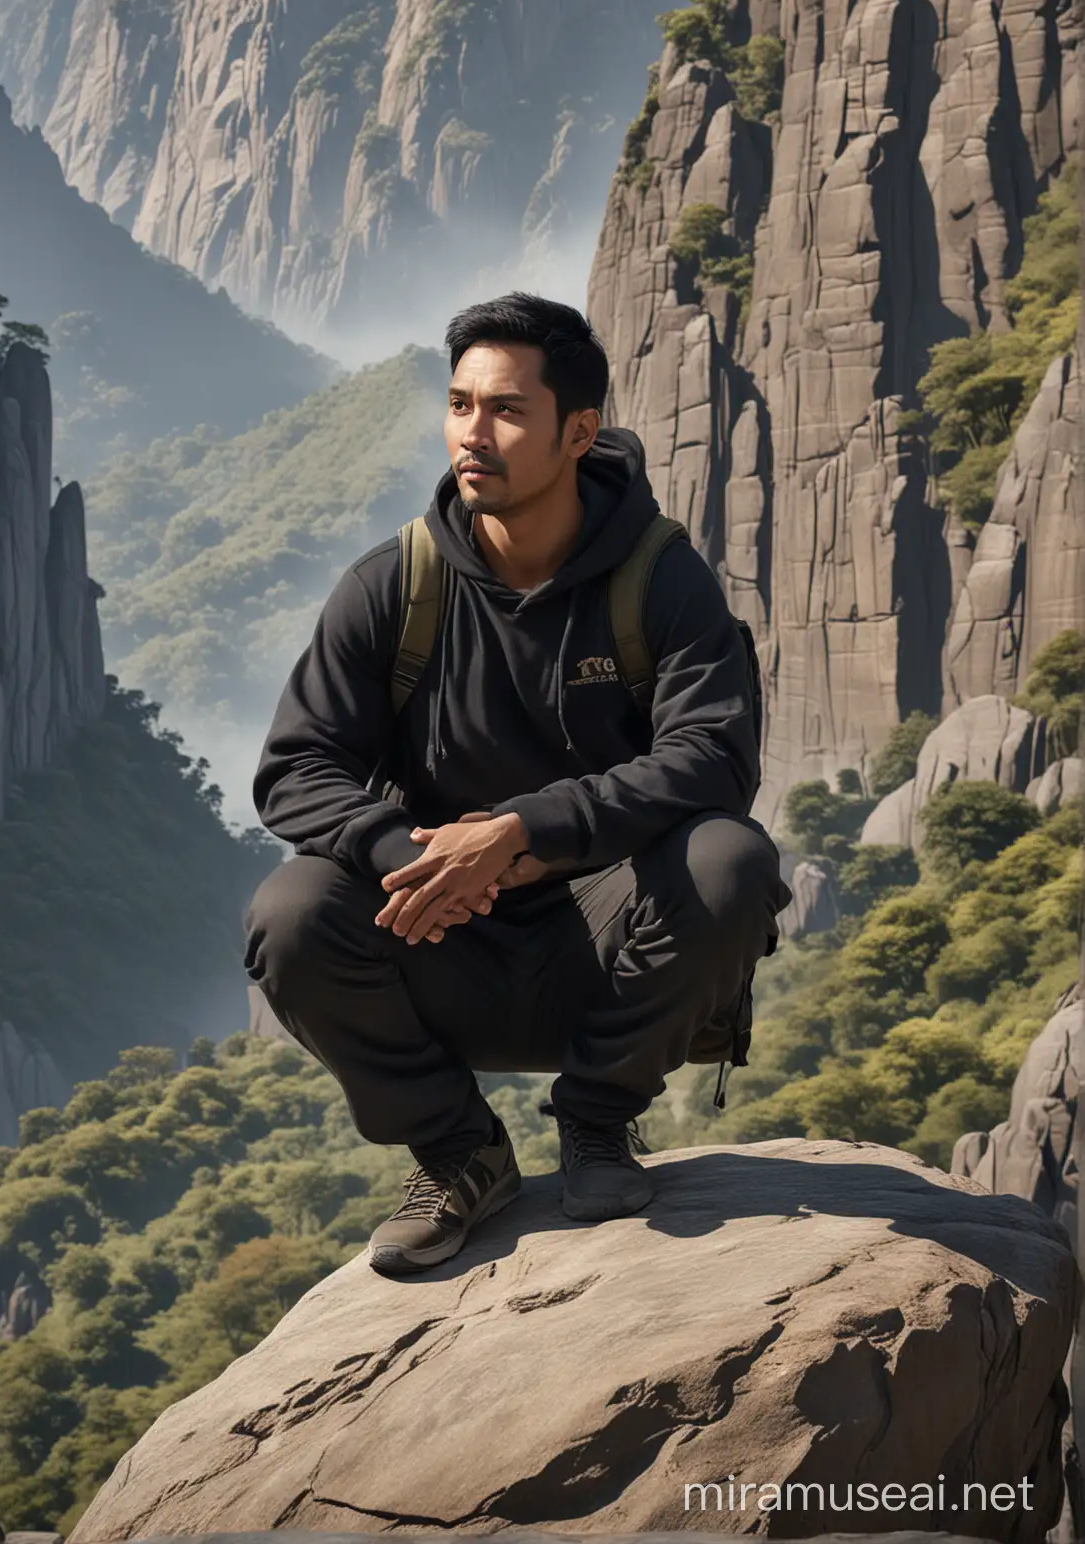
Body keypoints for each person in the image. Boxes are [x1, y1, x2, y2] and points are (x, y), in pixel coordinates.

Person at [245, 293, 790, 1277]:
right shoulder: (395, 588)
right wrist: (405, 853)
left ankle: (595, 1124)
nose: (473, 434)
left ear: (578, 432)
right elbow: (297, 766)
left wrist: (520, 832)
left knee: (731, 860)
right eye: (459, 406)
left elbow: (714, 755)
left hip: (611, 945)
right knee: (290, 911)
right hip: (438, 936)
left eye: (505, 411)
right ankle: (458, 1154)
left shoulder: (660, 580)